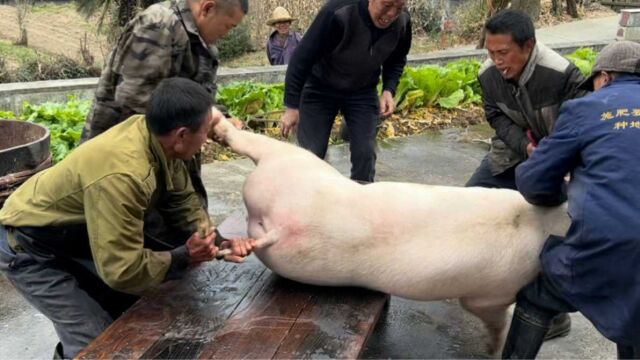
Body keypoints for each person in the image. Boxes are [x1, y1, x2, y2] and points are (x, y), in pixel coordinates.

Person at [0, 78, 257, 359]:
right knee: (97, 344)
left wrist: (217, 241)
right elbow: (121, 269)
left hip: (70, 233)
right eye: (206, 131)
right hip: (27, 247)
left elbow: (182, 201)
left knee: (132, 311)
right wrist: (184, 256)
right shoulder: (123, 175)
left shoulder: (157, 139)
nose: (209, 138)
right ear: (182, 134)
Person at [503, 40, 640, 359]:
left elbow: (533, 181)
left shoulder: (588, 108)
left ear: (605, 77)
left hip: (609, 244)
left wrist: (563, 194)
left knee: (538, 294)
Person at [81, 0, 248, 248]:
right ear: (208, 8)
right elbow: (136, 101)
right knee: (138, 235)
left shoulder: (202, 44)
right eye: (228, 26)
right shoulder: (159, 25)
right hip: (128, 154)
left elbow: (194, 97)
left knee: (184, 228)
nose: (227, 34)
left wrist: (218, 116)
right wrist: (203, 120)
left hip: (170, 151)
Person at [465, 9, 587, 339]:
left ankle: (554, 313)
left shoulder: (561, 74)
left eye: (503, 53)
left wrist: (553, 159)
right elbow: (495, 115)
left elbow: (580, 126)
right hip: (511, 156)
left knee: (555, 229)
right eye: (490, 53)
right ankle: (488, 292)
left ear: (528, 45)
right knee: (468, 207)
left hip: (556, 164)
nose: (497, 61)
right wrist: (525, 147)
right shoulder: (488, 74)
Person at [280, 0, 412, 183]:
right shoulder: (338, 13)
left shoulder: (402, 22)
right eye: (387, 5)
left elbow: (397, 58)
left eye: (399, 8)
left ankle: (361, 199)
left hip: (362, 91)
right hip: (320, 89)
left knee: (365, 153)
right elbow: (302, 58)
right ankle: (309, 202)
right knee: (311, 154)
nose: (391, 14)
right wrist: (292, 106)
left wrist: (389, 89)